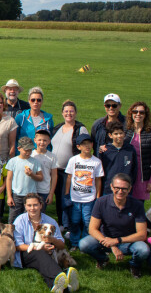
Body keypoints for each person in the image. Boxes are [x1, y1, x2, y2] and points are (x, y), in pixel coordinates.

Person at [79, 173, 150, 278]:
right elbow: (92, 229)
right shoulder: (101, 202)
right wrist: (111, 244)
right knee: (84, 244)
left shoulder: (137, 205)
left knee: (143, 250)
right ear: (111, 187)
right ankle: (103, 259)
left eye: (124, 189)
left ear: (129, 189)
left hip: (128, 241)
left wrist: (117, 241)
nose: (120, 191)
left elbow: (142, 234)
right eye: (117, 188)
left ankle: (135, 265)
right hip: (106, 240)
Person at [13, 193, 79, 292]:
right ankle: (62, 278)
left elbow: (62, 245)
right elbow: (17, 246)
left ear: (41, 205)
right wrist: (38, 247)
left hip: (47, 254)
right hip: (25, 254)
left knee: (44, 265)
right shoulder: (20, 220)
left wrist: (52, 240)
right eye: (29, 205)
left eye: (35, 205)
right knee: (40, 254)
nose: (32, 208)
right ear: (25, 206)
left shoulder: (50, 221)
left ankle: (59, 286)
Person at [52, 100, 88, 234]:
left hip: (70, 171)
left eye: (71, 111)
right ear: (62, 113)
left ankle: (69, 226)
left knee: (67, 199)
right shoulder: (58, 128)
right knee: (58, 197)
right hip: (55, 170)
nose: (69, 114)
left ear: (76, 113)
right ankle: (61, 223)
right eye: (66, 111)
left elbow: (85, 148)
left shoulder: (80, 129)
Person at [64, 133, 104, 248]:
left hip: (89, 198)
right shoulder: (73, 160)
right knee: (75, 220)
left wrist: (98, 196)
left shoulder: (96, 162)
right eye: (84, 144)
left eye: (89, 143)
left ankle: (86, 242)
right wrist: (67, 193)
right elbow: (69, 177)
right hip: (75, 197)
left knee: (87, 221)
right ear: (78, 147)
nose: (87, 146)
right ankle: (74, 242)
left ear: (92, 145)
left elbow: (98, 180)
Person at [125, 102, 151, 201]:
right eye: (135, 111)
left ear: (145, 115)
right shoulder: (126, 130)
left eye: (141, 112)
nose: (138, 114)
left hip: (142, 176)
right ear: (131, 113)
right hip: (128, 173)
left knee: (138, 204)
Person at [6, 137, 42, 224]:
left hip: (31, 195)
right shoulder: (13, 161)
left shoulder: (35, 162)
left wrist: (32, 174)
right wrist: (9, 196)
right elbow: (9, 179)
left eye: (30, 150)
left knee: (30, 218)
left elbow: (40, 177)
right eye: (26, 150)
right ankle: (12, 232)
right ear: (19, 148)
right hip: (17, 195)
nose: (28, 152)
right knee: (13, 219)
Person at [99, 121, 139, 198]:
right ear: (110, 135)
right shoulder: (105, 151)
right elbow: (101, 170)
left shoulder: (130, 149)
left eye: (121, 133)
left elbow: (134, 169)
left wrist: (130, 183)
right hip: (108, 189)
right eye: (116, 134)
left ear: (124, 134)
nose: (119, 136)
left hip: (125, 189)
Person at [31, 130, 57, 210]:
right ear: (35, 140)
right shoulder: (31, 155)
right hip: (31, 189)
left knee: (41, 212)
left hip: (44, 190)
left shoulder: (52, 156)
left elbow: (54, 175)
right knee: (29, 211)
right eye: (39, 140)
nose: (42, 142)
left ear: (49, 141)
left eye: (45, 140)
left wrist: (51, 193)